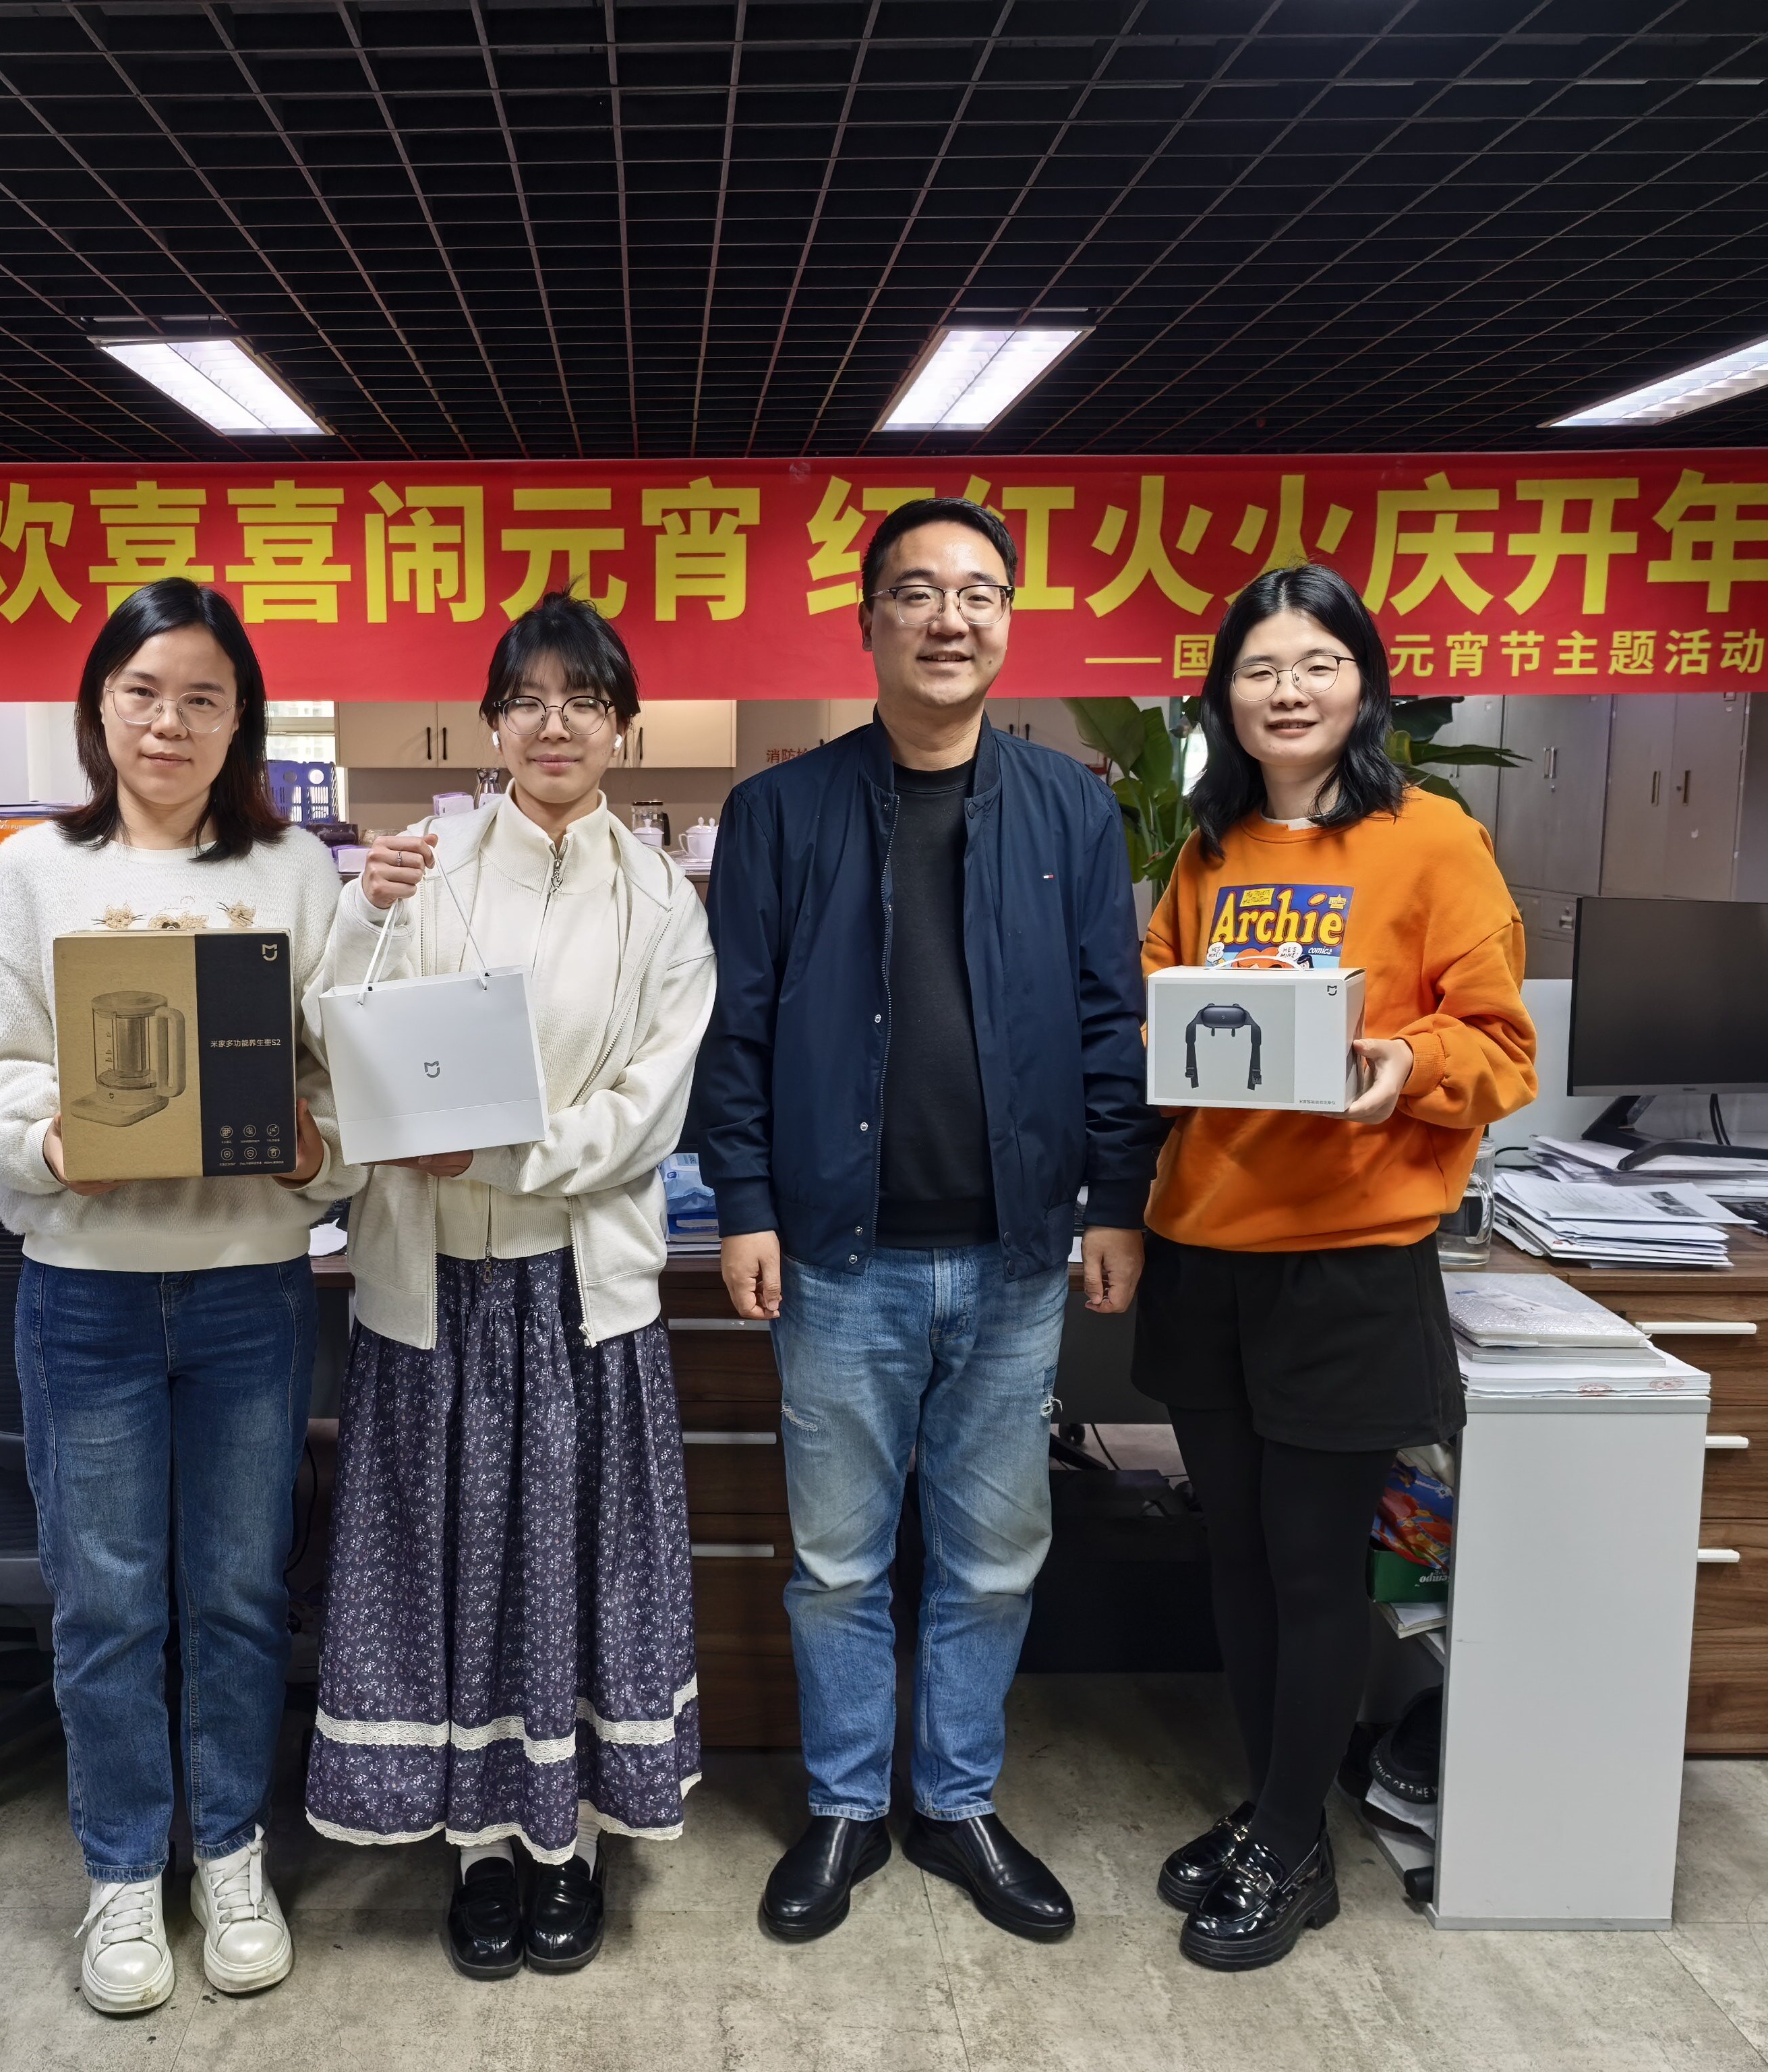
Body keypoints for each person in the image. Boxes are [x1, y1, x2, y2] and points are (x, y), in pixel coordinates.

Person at [694, 497, 1161, 1946]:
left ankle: (954, 1802)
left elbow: (1110, 1020)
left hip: (1017, 1257)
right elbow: (738, 1031)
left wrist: (1116, 1199)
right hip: (840, 1259)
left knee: (991, 1557)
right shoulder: (781, 812)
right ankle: (846, 1806)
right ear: (870, 622)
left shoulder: (1071, 808)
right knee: (838, 1563)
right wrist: (745, 1203)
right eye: (916, 592)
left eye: (976, 593)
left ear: (1006, 621)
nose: (948, 618)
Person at [0, 578, 357, 2017]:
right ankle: (124, 1872)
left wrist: (310, 1150)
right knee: (109, 1603)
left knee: (239, 1595)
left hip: (250, 1290)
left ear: (240, 722)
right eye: (142, 692)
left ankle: (231, 1856)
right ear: (98, 708)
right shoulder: (30, 873)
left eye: (201, 698)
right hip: (89, 1298)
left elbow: (338, 1079)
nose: (169, 722)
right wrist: (54, 1143)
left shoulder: (295, 872)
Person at [302, 593, 715, 1981]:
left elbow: (648, 1114)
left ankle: (568, 1847)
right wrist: (361, 914)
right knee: (452, 1579)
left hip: (578, 1299)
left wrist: (499, 1154)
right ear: (490, 723)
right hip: (430, 1287)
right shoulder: (424, 869)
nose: (555, 724)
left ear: (621, 727)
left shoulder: (660, 901)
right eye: (528, 700)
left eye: (584, 700)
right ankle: (478, 1849)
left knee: (571, 1581)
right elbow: (343, 1042)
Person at [1135, 562, 1535, 1972]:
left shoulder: (1430, 840)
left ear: (1363, 684)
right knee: (1239, 1563)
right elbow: (1158, 1003)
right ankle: (1272, 1810)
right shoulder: (1209, 848)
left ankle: (1295, 1850)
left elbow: (1502, 1047)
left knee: (1312, 1572)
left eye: (1316, 665)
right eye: (1259, 670)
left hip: (1347, 1265)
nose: (1287, 692)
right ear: (1225, 699)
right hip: (1206, 1250)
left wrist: (1398, 1066)